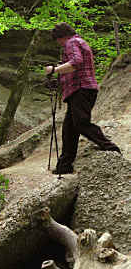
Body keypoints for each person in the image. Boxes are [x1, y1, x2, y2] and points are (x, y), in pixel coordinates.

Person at [45, 23, 121, 174]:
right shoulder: (79, 42)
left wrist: (55, 69)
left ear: (63, 36)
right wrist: (58, 77)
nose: (59, 43)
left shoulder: (71, 42)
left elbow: (76, 63)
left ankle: (110, 148)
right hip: (81, 89)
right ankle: (64, 166)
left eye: (58, 40)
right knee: (69, 129)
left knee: (80, 123)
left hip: (81, 89)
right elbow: (73, 67)